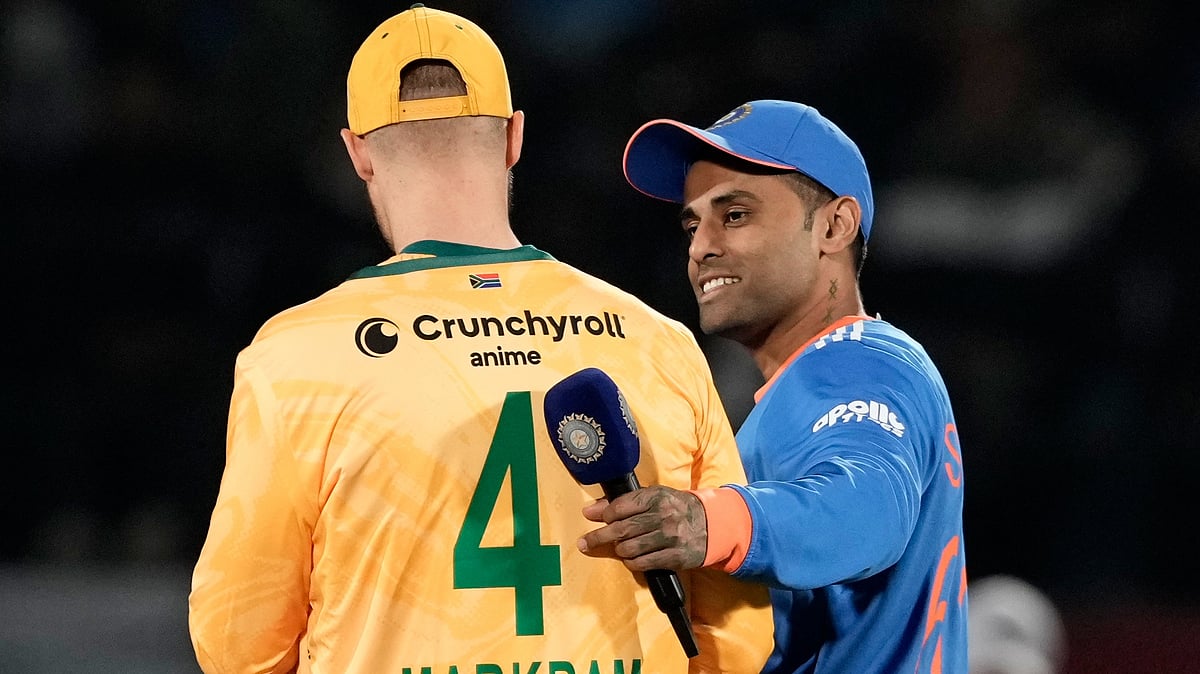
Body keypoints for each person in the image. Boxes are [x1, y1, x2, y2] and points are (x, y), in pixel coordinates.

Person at [186, 6, 774, 674]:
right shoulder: (657, 342)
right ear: (514, 138)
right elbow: (738, 635)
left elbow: (238, 643)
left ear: (356, 152)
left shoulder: (296, 357)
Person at [579, 100, 969, 673]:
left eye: (734, 215)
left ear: (834, 226)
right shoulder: (804, 386)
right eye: (692, 223)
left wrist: (707, 522)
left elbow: (868, 507)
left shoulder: (862, 364)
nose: (700, 246)